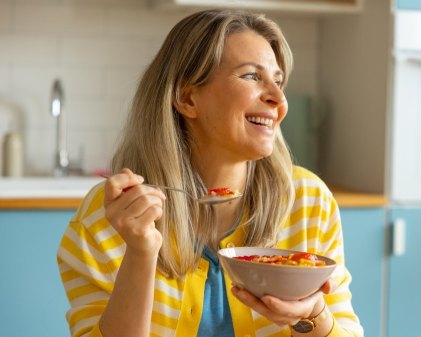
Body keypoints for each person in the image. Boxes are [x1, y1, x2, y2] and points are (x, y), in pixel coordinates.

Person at [56, 8, 363, 337]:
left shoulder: (309, 202)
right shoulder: (109, 217)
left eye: (277, 80)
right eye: (251, 76)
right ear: (187, 98)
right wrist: (140, 252)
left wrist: (314, 313)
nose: (278, 98)